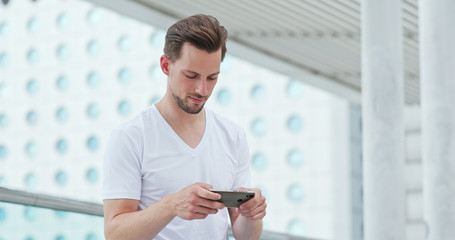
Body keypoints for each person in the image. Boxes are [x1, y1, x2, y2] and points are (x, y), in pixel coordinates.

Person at [102, 14, 267, 240]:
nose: (202, 90)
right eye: (191, 75)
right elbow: (115, 234)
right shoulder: (130, 137)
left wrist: (251, 214)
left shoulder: (233, 136)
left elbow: (246, 237)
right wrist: (171, 205)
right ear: (166, 65)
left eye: (212, 78)